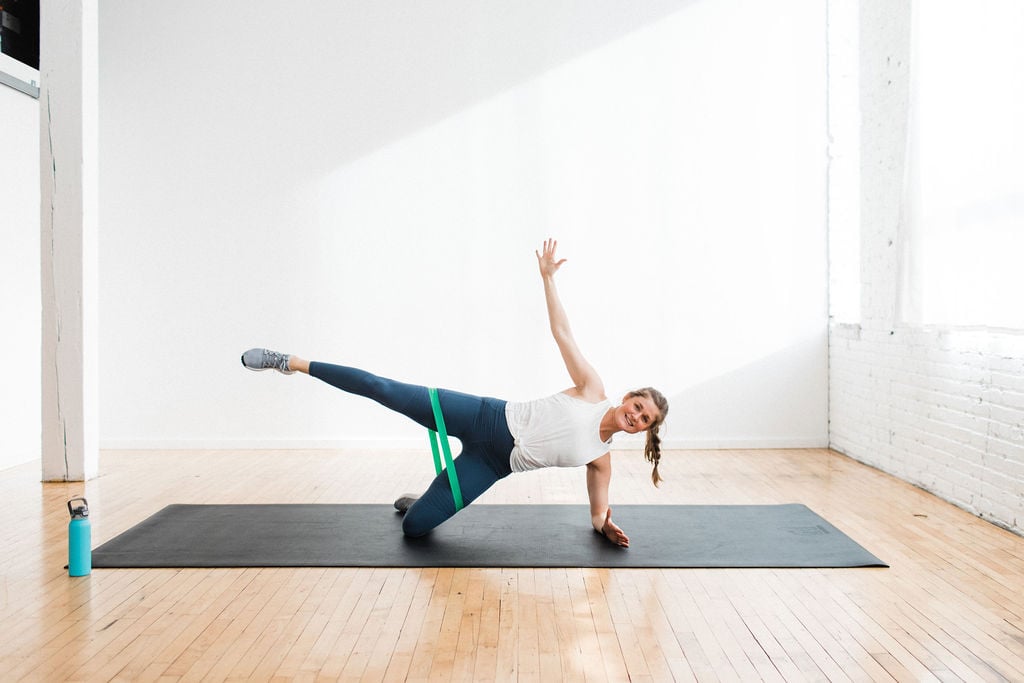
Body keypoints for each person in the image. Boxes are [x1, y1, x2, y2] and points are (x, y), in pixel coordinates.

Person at [241, 239, 668, 546]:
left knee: (416, 528)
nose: (636, 416)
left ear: (642, 431)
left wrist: (605, 527)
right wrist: (548, 279)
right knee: (381, 388)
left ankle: (424, 499)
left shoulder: (601, 460)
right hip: (483, 416)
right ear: (628, 397)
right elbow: (562, 333)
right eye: (638, 406)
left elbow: (597, 514)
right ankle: (290, 362)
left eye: (645, 419)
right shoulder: (592, 390)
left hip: (494, 463)